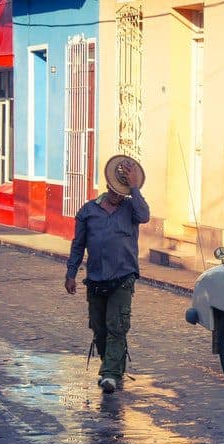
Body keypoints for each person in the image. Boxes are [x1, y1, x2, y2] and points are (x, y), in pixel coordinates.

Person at [64, 158, 150, 393]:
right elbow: (78, 244)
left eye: (122, 191)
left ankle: (110, 374)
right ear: (107, 185)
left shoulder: (132, 208)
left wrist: (135, 188)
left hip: (123, 277)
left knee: (117, 325)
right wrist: (71, 273)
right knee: (99, 328)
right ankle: (113, 366)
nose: (117, 195)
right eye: (115, 189)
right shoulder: (88, 211)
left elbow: (145, 216)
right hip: (96, 279)